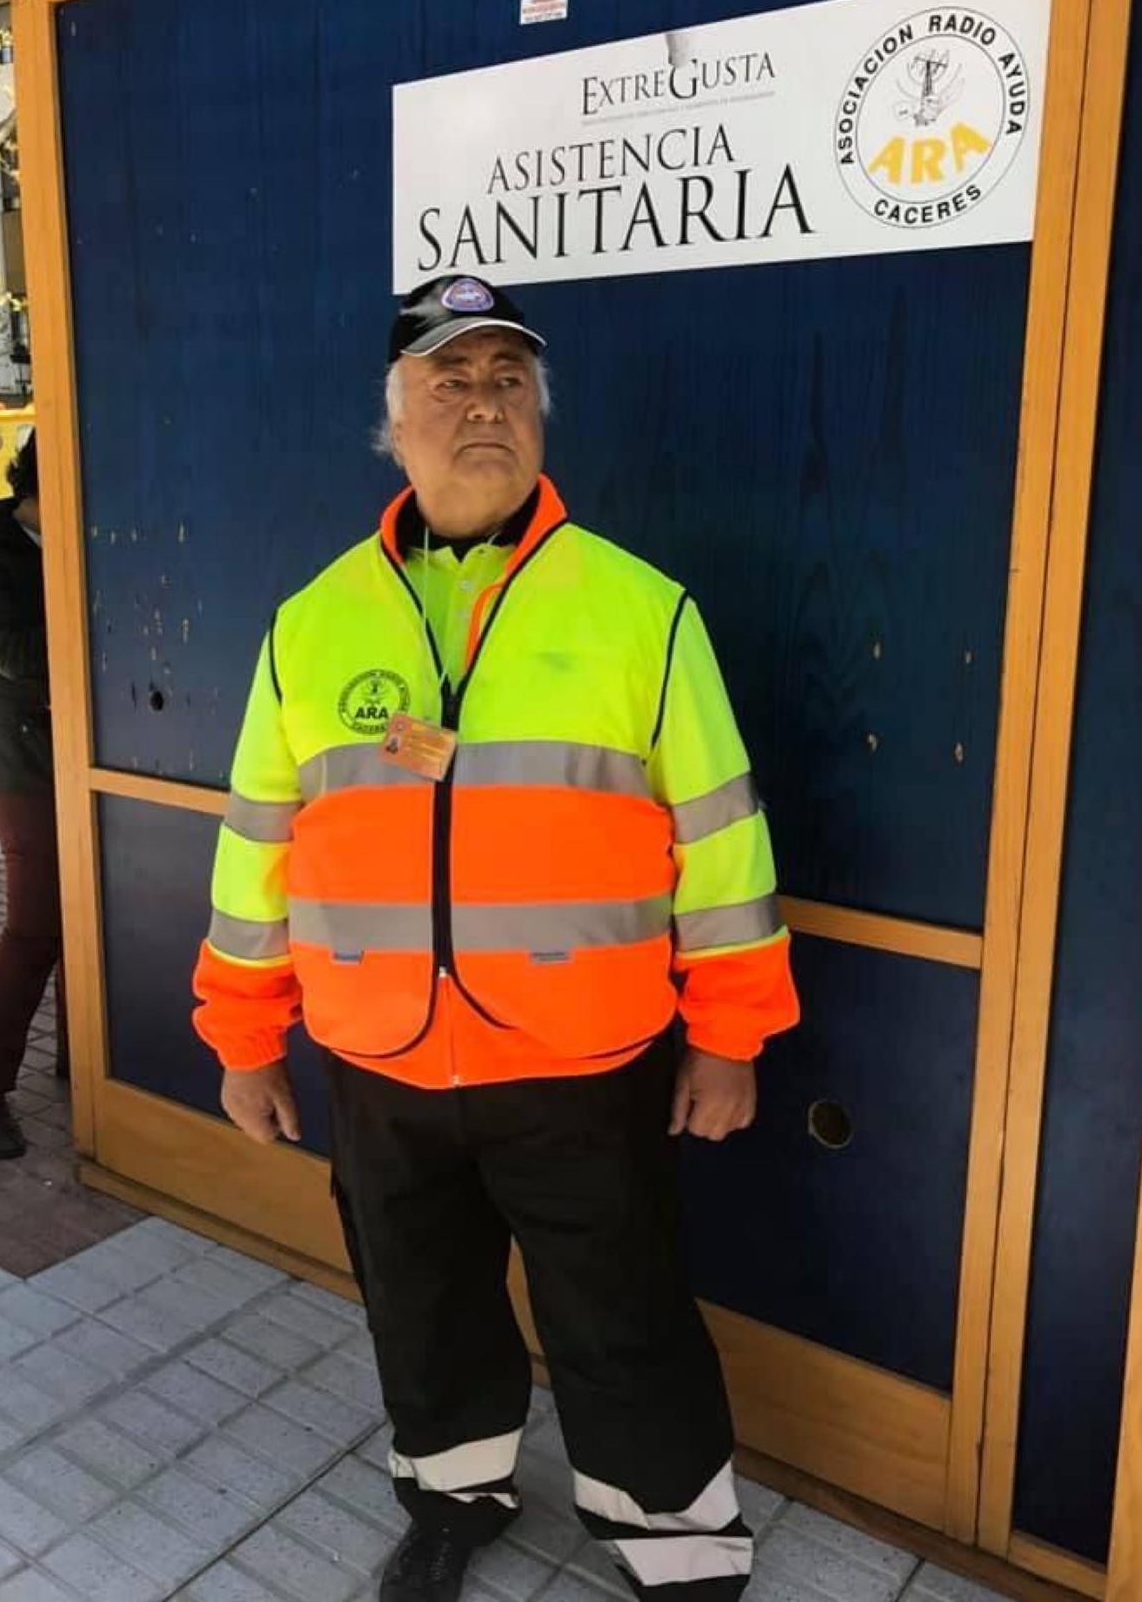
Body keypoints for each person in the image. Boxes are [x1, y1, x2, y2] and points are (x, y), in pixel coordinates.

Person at [192, 275, 800, 1602]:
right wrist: (243, 1036)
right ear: (394, 422)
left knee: (623, 1312)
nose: (483, 405)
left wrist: (731, 1036)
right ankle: (453, 1495)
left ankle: (677, 1538)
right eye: (450, 381)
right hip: (381, 1065)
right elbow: (256, 850)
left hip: (583, 1064)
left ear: (541, 415)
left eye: (508, 381)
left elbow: (722, 843)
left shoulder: (642, 609)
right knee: (421, 1307)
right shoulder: (311, 623)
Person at [0, 430, 65, 1159]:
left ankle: (85, 1059)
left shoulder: (75, 537)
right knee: (36, 927)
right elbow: (16, 657)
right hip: (22, 766)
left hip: (81, 754)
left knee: (93, 918)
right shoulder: (2, 548)